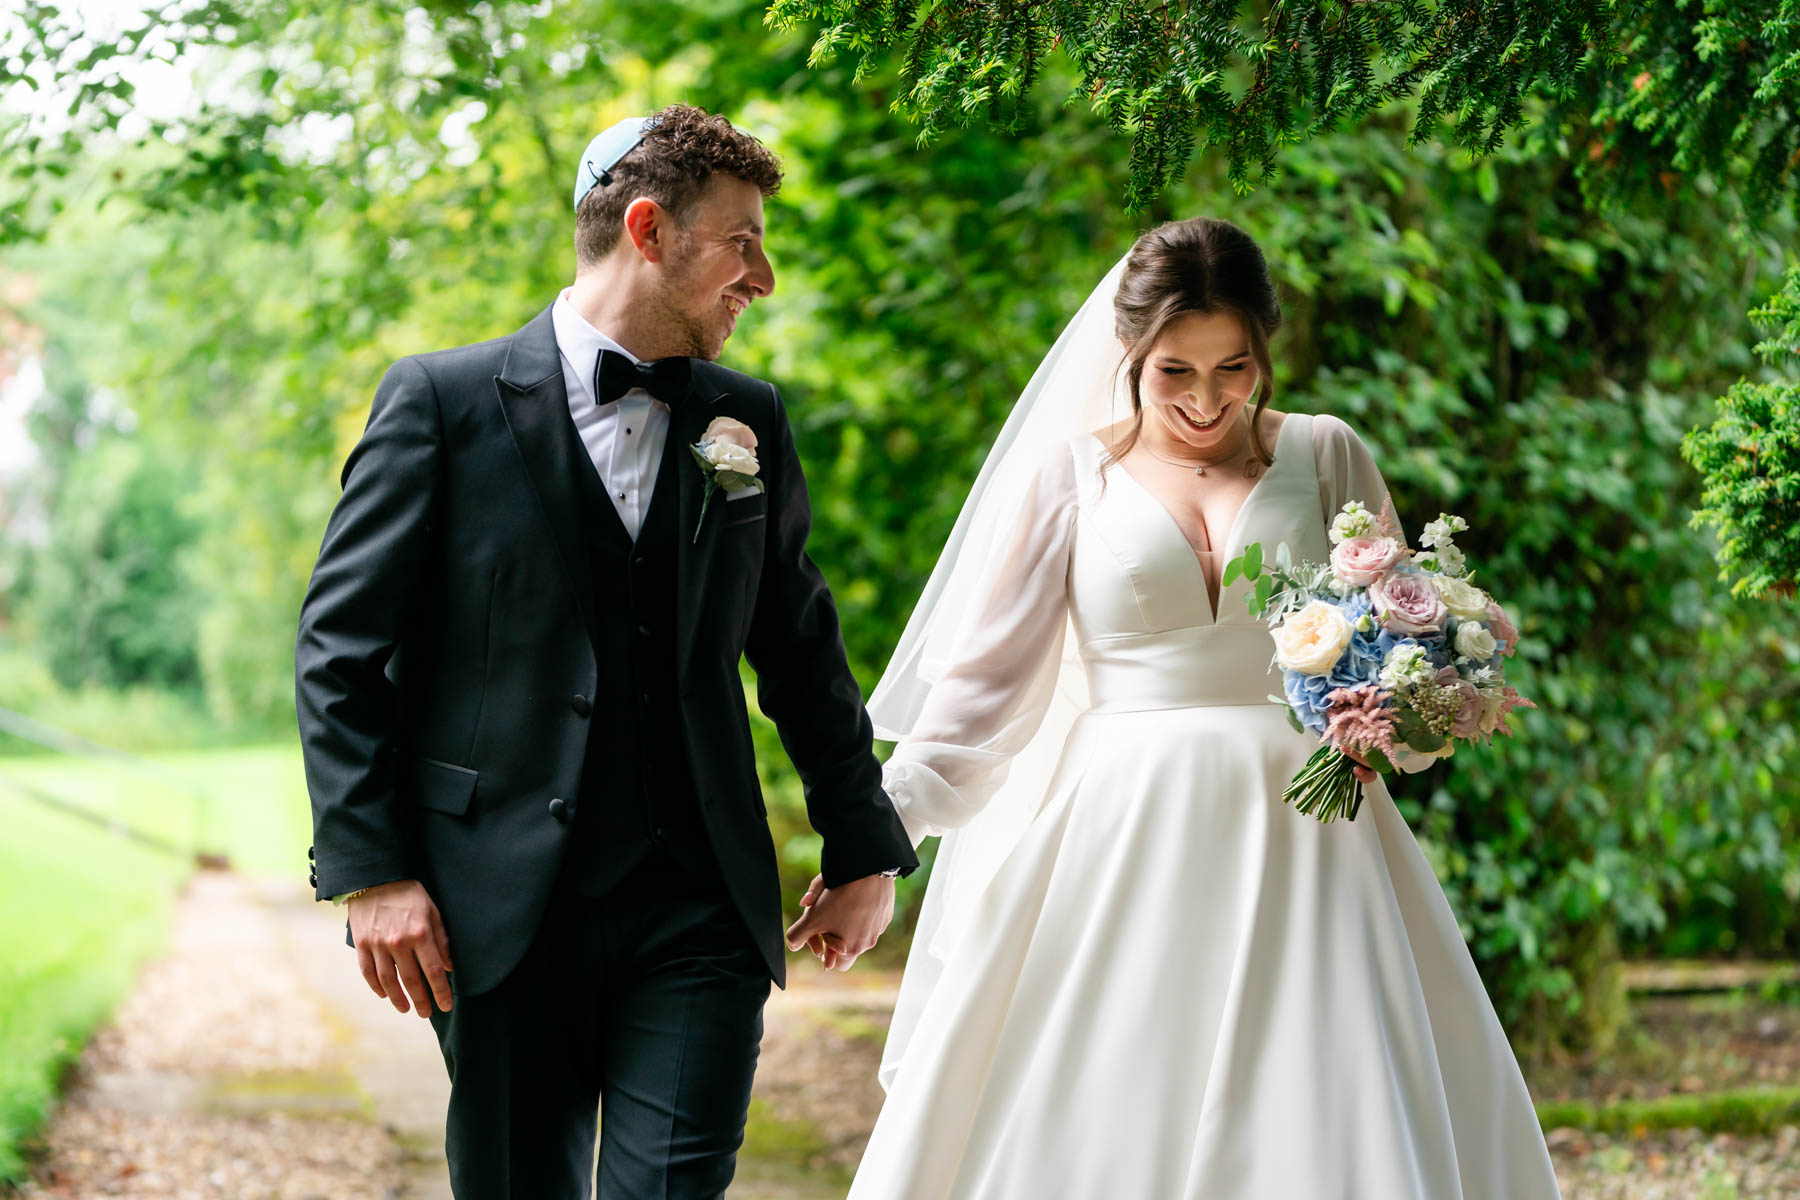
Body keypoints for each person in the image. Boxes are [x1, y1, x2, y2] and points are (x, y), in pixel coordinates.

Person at [838, 216, 1563, 1198]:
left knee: (1322, 1097)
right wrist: (874, 837)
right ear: (1127, 354)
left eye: (1235, 368)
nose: (1208, 399)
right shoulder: (1067, 476)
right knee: (1107, 1090)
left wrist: (1418, 703)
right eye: (1175, 370)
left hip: (1316, 833)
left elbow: (1410, 632)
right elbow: (979, 701)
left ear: (1267, 353)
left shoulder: (1326, 453)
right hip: (1122, 832)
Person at [294, 102, 916, 1200]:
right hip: (492, 912)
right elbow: (340, 651)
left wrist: (863, 844)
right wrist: (372, 870)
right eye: (743, 241)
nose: (761, 276)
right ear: (647, 230)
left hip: (698, 908)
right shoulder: (438, 405)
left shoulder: (747, 420)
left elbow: (799, 645)